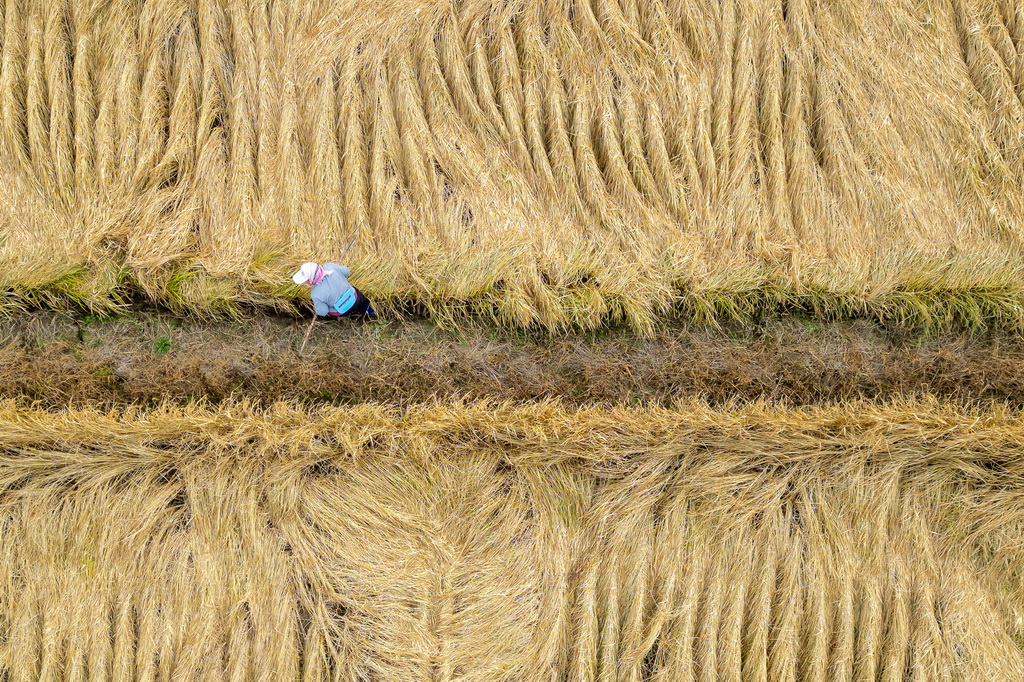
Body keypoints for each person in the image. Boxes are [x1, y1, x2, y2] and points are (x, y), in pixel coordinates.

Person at [291, 262, 375, 319]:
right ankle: (370, 312)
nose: (306, 282)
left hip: (342, 311)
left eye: (307, 280)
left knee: (330, 309)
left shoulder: (315, 294)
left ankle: (351, 316)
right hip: (355, 298)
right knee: (363, 300)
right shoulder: (329, 266)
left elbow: (323, 311)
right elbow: (347, 273)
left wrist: (317, 308)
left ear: (312, 279)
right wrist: (337, 268)